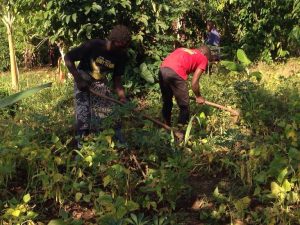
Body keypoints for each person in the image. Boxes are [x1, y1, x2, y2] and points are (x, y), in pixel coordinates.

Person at [64, 25, 131, 146]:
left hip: (100, 82)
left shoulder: (122, 55)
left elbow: (117, 80)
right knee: (83, 113)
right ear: (113, 41)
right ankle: (80, 144)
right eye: (120, 46)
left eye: (125, 46)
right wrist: (78, 80)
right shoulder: (94, 45)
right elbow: (68, 57)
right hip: (82, 77)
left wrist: (122, 97)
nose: (123, 49)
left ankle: (113, 142)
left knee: (107, 112)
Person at [159, 45, 211, 126]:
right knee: (184, 105)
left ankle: (166, 125)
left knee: (167, 101)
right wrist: (198, 96)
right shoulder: (203, 58)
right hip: (176, 72)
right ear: (206, 54)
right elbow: (194, 82)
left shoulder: (183, 49)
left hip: (162, 70)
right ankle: (181, 130)